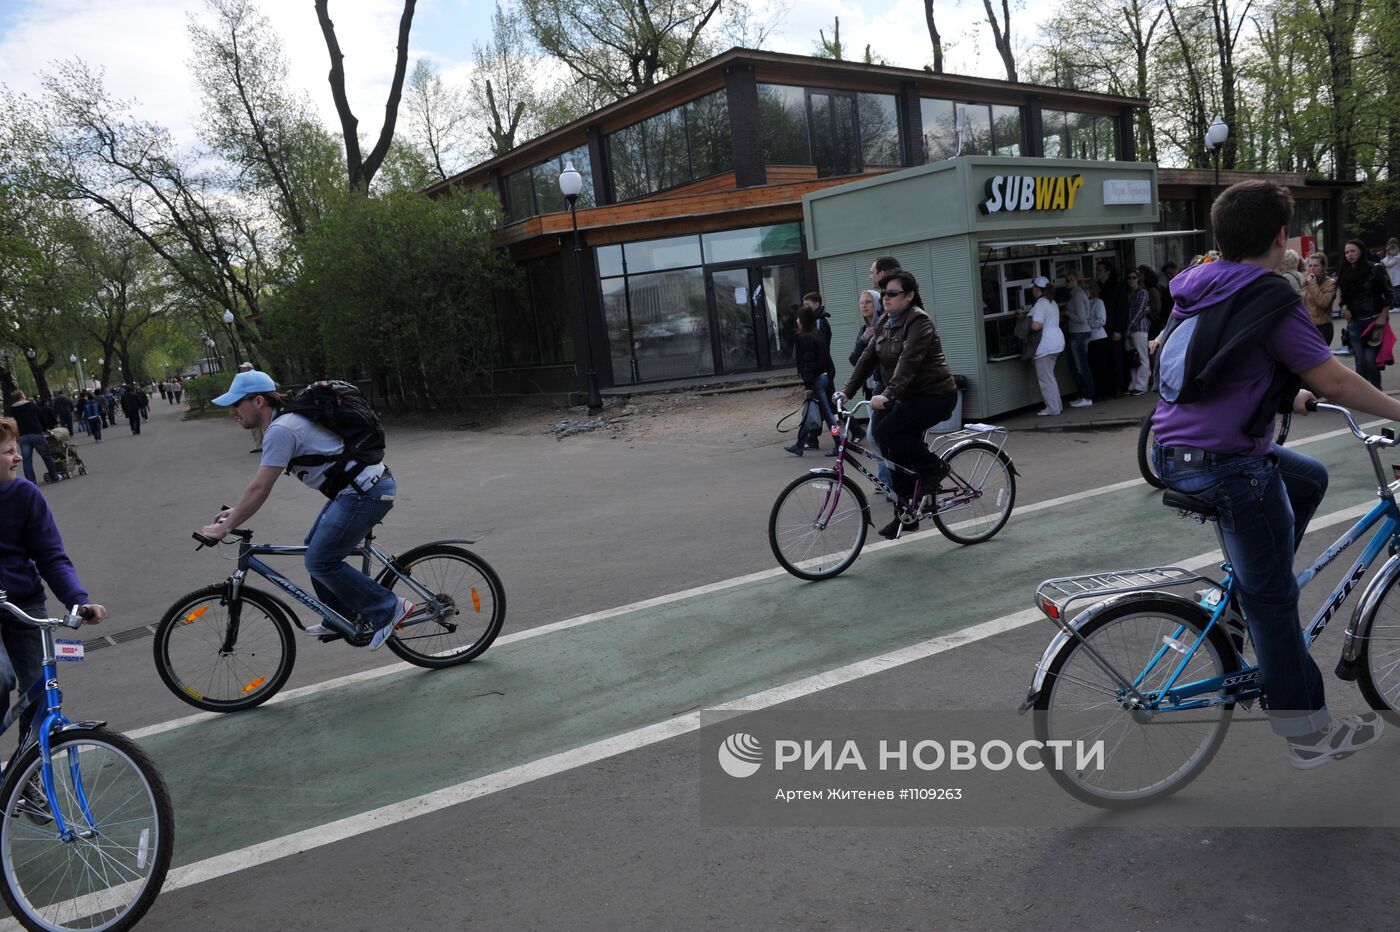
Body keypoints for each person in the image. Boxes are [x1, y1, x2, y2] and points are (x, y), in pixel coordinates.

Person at [1152, 179, 1400, 769]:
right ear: (1280, 237)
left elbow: (1220, 367)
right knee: (1277, 601)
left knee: (1308, 476)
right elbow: (1336, 377)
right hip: (1227, 465)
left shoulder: (1201, 288)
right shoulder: (1268, 296)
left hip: (1173, 453)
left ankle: (1243, 596)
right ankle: (1308, 735)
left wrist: (1292, 400)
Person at [197, 369, 410, 649]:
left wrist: (225, 527)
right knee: (315, 549)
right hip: (359, 490)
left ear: (258, 401)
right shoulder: (284, 425)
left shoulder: (281, 430)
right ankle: (339, 616)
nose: (232, 412)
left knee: (320, 561)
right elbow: (261, 488)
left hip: (364, 493)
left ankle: (389, 607)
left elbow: (260, 488)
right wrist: (236, 512)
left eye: (236, 404)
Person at [0, 416, 107, 759]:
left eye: (16, 450)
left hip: (24, 603)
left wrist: (79, 601)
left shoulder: (25, 495)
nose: (17, 458)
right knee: (1, 679)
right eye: (8, 452)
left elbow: (51, 556)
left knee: (40, 688)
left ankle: (24, 774)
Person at [840, 270, 958, 540]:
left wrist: (888, 394)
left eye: (892, 293)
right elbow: (868, 358)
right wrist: (846, 392)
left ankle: (934, 467)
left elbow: (909, 363)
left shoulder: (919, 321)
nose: (886, 298)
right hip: (906, 395)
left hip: (935, 394)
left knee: (891, 431)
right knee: (883, 435)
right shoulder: (884, 321)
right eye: (884, 294)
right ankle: (906, 510)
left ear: (909, 296)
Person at [1337, 238, 1391, 389]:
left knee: (1370, 360)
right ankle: (1363, 393)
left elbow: (1389, 293)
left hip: (1373, 320)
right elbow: (1345, 295)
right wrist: (1346, 307)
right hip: (1354, 322)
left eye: (1353, 251)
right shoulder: (1345, 272)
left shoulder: (1375, 268)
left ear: (1361, 251)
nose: (1349, 255)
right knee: (1359, 361)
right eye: (1347, 252)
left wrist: (1383, 315)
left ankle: (1376, 390)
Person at [785, 307, 838, 457]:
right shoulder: (816, 335)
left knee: (827, 415)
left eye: (798, 318)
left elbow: (808, 363)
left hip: (816, 380)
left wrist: (808, 386)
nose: (796, 321)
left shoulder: (805, 338)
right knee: (810, 413)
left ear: (803, 320)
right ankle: (799, 444)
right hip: (823, 377)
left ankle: (839, 441)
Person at [1025, 276, 1065, 415]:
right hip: (1056, 341)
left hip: (1045, 345)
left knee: (1045, 378)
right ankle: (1057, 406)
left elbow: (1036, 325)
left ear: (1037, 288)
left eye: (1033, 288)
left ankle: (1052, 408)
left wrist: (1024, 323)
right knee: (1050, 377)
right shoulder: (1051, 301)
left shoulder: (1040, 304)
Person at [5, 392, 59, 485]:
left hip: (22, 436)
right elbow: (41, 417)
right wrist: (45, 429)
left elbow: (10, 424)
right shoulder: (31, 405)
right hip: (36, 433)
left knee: (27, 460)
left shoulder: (12, 410)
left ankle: (31, 482)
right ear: (22, 396)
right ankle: (54, 476)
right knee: (46, 456)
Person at [1096, 258, 1129, 397]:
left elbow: (1122, 309)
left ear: (1108, 272)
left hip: (1113, 327)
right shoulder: (1098, 287)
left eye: (1100, 270)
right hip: (1101, 328)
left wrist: (1118, 329)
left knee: (1116, 359)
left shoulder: (1117, 286)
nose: (1097, 273)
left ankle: (1119, 387)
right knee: (1104, 359)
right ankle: (1107, 388)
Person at [1062, 269, 1094, 407]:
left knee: (1081, 366)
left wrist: (1068, 313)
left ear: (1077, 281)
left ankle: (1087, 396)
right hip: (1077, 333)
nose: (1066, 283)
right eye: (1066, 280)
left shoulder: (1078, 295)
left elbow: (1082, 318)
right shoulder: (1076, 294)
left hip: (1080, 333)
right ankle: (1082, 395)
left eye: (1069, 280)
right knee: (1076, 365)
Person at [1084, 279, 1112, 402]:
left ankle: (1104, 392)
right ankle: (1097, 391)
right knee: (1093, 367)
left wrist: (1087, 323)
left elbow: (1101, 320)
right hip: (1090, 339)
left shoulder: (1098, 302)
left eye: (1088, 289)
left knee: (1100, 367)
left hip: (1099, 338)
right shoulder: (1086, 303)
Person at [1125, 268, 1152, 394]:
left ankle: (1141, 386)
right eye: (1129, 278)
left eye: (1134, 278)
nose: (1131, 280)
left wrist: (1129, 327)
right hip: (1129, 329)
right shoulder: (1128, 293)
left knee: (1142, 357)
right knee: (1132, 357)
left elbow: (1140, 311)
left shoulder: (1142, 292)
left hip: (1139, 328)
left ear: (1139, 279)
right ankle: (1133, 384)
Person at [1301, 253, 1337, 348]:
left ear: (1323, 267)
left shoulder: (1330, 283)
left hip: (1322, 327)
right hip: (1307, 327)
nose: (1312, 269)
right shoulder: (1306, 281)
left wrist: (1313, 284)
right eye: (1310, 265)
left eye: (1316, 266)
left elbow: (1324, 303)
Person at [238, 363, 265, 453]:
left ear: (249, 368)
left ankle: (265, 444)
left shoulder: (254, 377)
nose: (242, 370)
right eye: (242, 368)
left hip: (257, 403)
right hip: (253, 404)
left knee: (262, 424)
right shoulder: (246, 378)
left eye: (244, 368)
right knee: (255, 426)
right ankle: (259, 445)